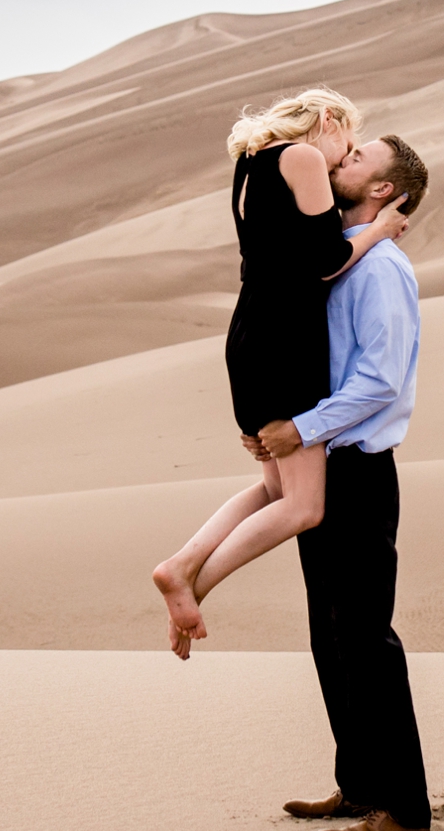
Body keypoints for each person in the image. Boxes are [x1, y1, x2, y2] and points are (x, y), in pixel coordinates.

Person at [152, 89, 409, 659]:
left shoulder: (250, 162)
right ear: (328, 121)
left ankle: (184, 561)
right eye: (346, 145)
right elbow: (324, 264)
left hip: (249, 335)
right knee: (304, 506)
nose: (342, 160)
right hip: (284, 342)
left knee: (275, 490)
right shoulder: (303, 157)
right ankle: (193, 581)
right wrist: (381, 230)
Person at [258, 134, 433, 831]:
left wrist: (300, 427)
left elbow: (379, 379)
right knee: (329, 634)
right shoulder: (333, 255)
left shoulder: (382, 267)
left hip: (358, 467)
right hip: (323, 463)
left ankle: (405, 807)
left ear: (385, 190)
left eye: (359, 156)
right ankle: (358, 787)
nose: (343, 157)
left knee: (366, 635)